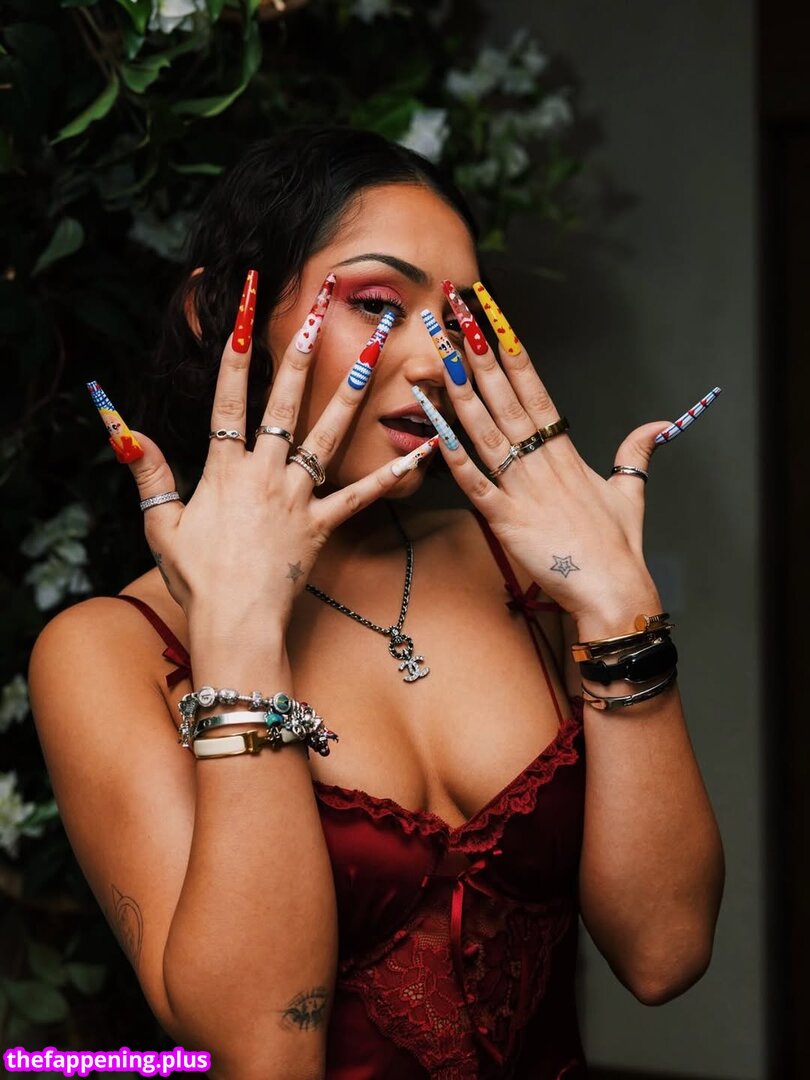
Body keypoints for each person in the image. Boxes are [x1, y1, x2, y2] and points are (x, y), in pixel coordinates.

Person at [28, 128, 724, 1080]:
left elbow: (665, 954)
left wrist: (618, 606)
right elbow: (264, 1054)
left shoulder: (520, 570)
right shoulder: (111, 652)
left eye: (459, 321)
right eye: (378, 304)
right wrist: (239, 636)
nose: (436, 361)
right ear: (215, 314)